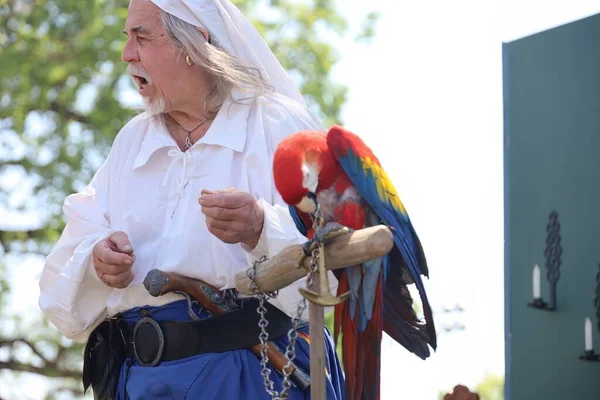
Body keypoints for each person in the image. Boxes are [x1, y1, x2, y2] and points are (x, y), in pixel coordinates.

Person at [37, 0, 345, 399]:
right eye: (127, 37)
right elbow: (64, 273)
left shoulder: (276, 124)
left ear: (193, 45)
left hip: (252, 374)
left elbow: (337, 262)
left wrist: (259, 228)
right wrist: (98, 259)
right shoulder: (132, 141)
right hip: (137, 382)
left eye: (141, 37)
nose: (126, 53)